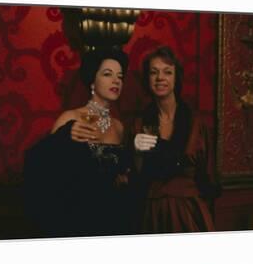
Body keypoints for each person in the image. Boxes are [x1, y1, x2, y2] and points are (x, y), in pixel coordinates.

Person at [23, 47, 138, 238]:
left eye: (120, 76)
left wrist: (124, 177)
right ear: (93, 80)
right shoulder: (71, 118)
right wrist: (64, 136)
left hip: (114, 218)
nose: (116, 80)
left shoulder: (119, 127)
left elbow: (122, 173)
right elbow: (41, 166)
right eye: (107, 74)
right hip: (77, 219)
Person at [132, 46, 218, 233]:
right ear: (148, 79)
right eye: (153, 72)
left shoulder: (196, 122)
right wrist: (136, 151)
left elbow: (208, 176)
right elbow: (136, 176)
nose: (160, 78)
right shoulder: (140, 123)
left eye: (167, 72)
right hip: (152, 212)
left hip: (189, 211)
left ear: (176, 77)